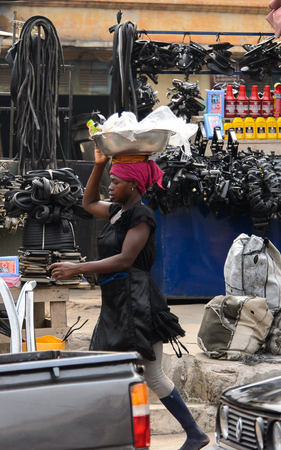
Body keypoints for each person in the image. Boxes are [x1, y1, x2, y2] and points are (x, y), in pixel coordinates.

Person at [50, 145, 210, 450]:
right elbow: (88, 202)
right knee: (117, 370)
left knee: (151, 374)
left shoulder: (141, 215)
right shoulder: (117, 211)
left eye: (115, 182)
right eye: (110, 180)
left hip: (139, 304)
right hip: (117, 302)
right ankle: (134, 436)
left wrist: (78, 268)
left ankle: (191, 434)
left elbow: (125, 259)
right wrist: (98, 164)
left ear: (134, 185)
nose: (110, 186)